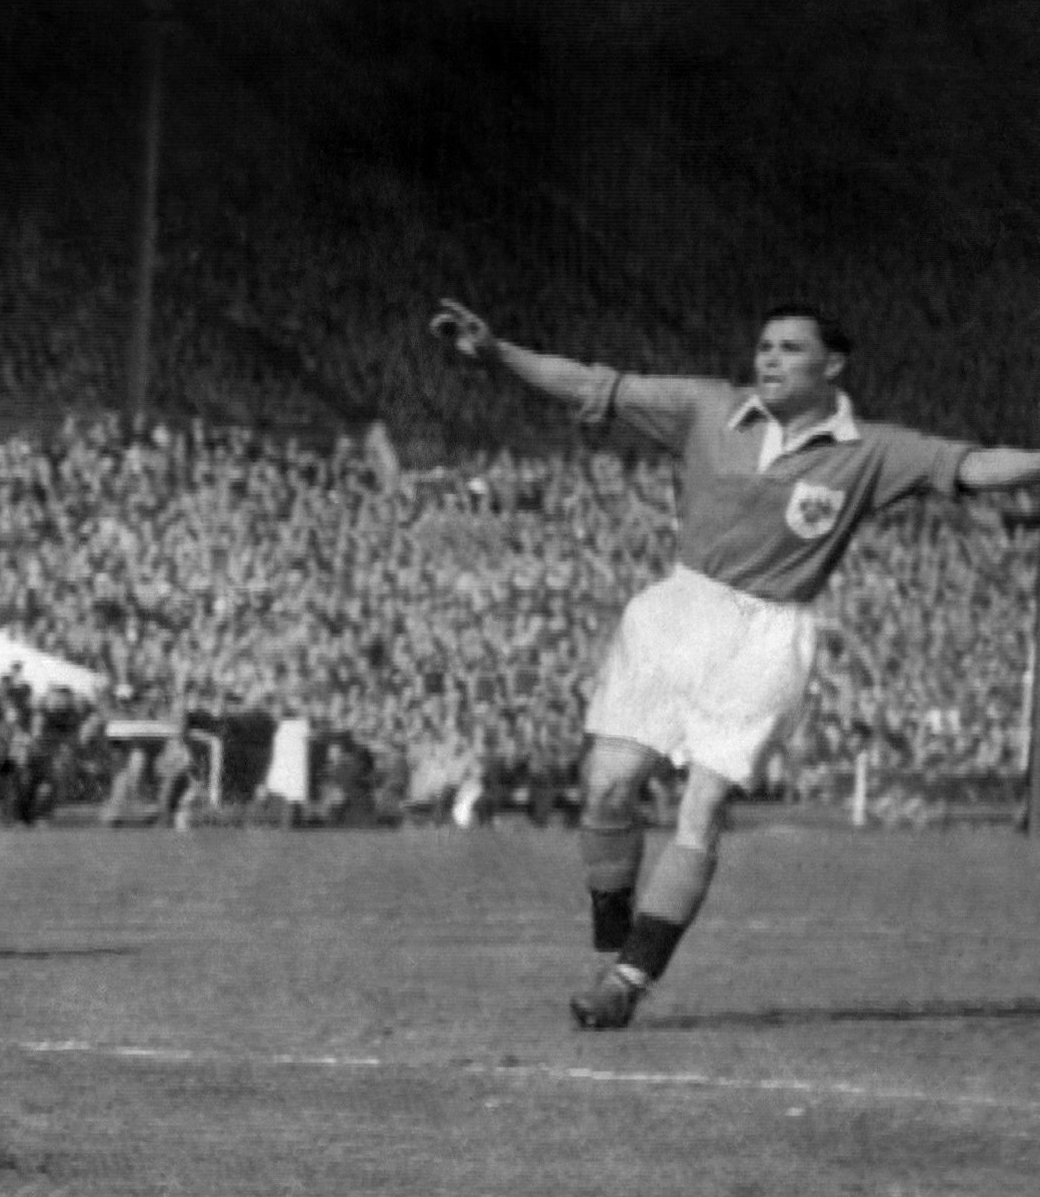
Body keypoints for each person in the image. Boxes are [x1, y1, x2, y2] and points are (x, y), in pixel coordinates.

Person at [434, 297, 1040, 1029]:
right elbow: (597, 385)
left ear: (832, 367)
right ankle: (614, 923)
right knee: (606, 788)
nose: (768, 359)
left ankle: (625, 980)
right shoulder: (706, 408)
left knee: (704, 806)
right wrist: (499, 353)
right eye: (762, 346)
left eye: (788, 348)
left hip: (767, 635)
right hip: (678, 614)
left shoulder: (872, 450)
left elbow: (973, 466)